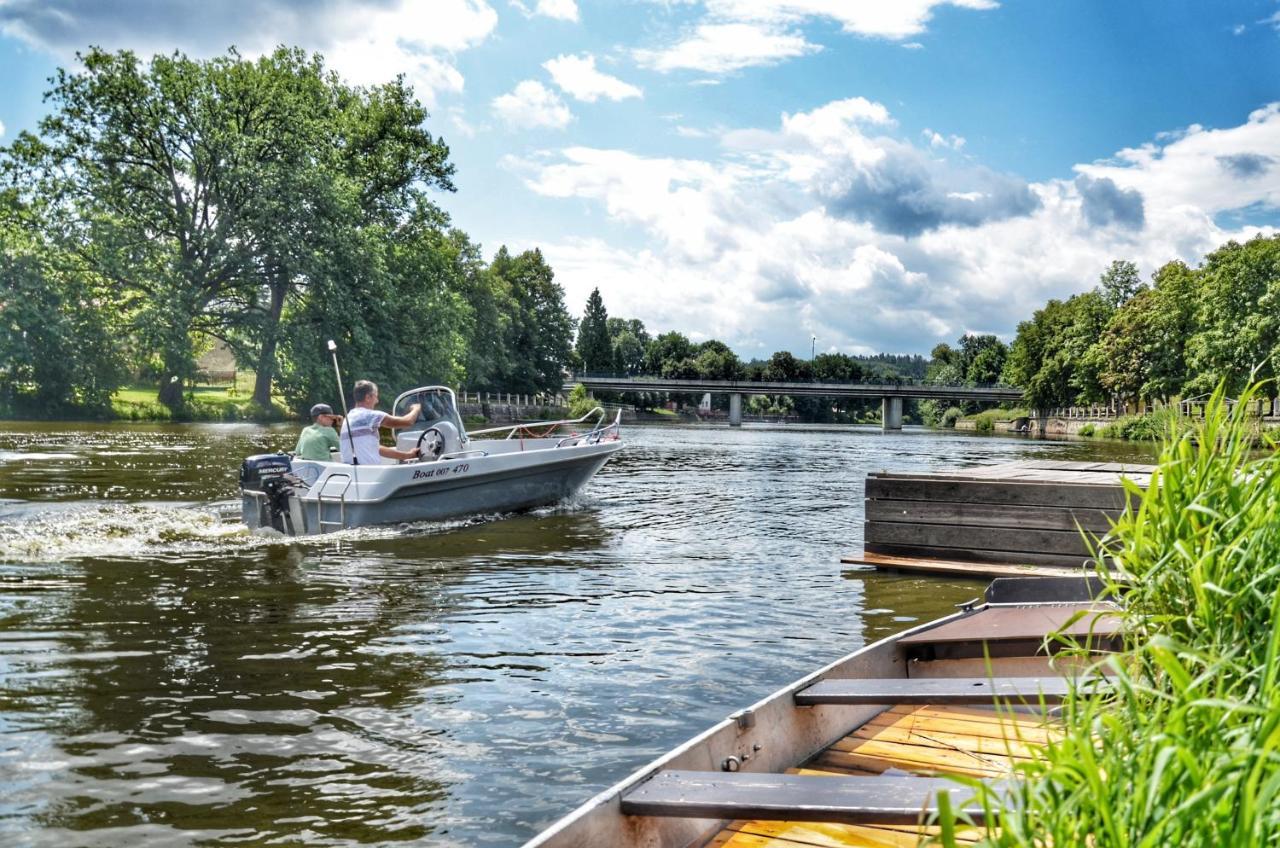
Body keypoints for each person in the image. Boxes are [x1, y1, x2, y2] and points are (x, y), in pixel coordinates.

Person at [339, 380, 423, 465]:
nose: (377, 401)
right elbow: (407, 422)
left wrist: (407, 455)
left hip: (353, 472)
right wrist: (416, 408)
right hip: (369, 473)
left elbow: (376, 448)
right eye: (376, 396)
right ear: (368, 397)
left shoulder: (348, 418)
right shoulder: (369, 416)